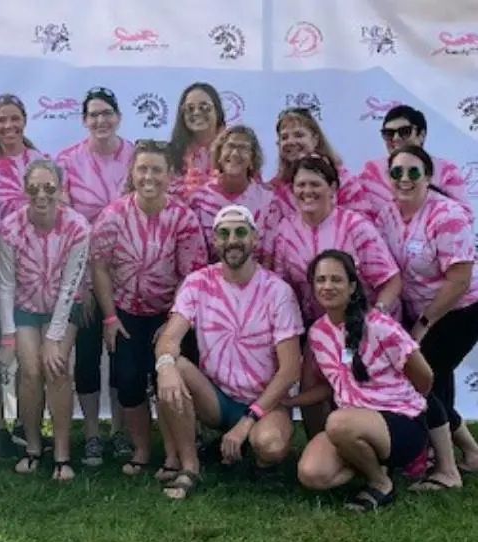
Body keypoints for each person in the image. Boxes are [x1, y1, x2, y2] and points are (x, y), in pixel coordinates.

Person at [155, 205, 303, 499]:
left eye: (240, 232)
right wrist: (165, 364)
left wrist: (248, 420)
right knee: (175, 368)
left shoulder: (277, 291)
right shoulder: (198, 283)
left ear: (255, 239)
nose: (232, 239)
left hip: (266, 402)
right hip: (218, 398)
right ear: (215, 241)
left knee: (271, 446)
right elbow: (170, 336)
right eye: (224, 233)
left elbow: (289, 370)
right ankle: (190, 467)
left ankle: (257, 458)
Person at [91, 139, 205, 475]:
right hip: (124, 312)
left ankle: (172, 454)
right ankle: (141, 450)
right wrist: (110, 317)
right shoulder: (113, 215)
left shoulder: (183, 218)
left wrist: (172, 322)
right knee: (127, 379)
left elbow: (191, 274)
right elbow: (99, 266)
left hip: (168, 312)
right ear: (132, 172)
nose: (149, 176)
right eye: (142, 168)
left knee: (165, 380)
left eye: (157, 169)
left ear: (170, 174)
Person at [268, 155, 401, 439]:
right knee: (309, 386)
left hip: (357, 323)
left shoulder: (356, 226)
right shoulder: (285, 231)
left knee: (355, 385)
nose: (307, 191)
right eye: (300, 185)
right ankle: (321, 445)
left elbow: (391, 279)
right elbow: (281, 285)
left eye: (315, 184)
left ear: (333, 187)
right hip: (315, 329)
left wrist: (375, 317)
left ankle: (379, 446)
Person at [295, 250, 433, 512]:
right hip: (352, 423)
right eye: (321, 279)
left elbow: (424, 375)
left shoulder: (380, 326)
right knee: (311, 474)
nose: (327, 286)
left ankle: (380, 483)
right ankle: (370, 460)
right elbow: (329, 386)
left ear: (352, 286)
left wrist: (411, 405)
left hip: (399, 421)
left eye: (336, 280)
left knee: (337, 422)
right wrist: (286, 400)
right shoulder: (317, 333)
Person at [373, 144, 478, 488]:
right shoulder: (387, 214)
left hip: (460, 311)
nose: (404, 179)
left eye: (413, 171)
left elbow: (459, 280)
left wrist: (422, 325)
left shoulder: (447, 214)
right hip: (420, 313)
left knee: (419, 382)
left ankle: (447, 471)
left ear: (428, 176)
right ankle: (470, 452)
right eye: (396, 172)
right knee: (432, 386)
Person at [55, 86, 135, 465]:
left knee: (122, 358)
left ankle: (119, 432)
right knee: (86, 356)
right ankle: (89, 433)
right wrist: (82, 283)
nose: (101, 120)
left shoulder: (136, 156)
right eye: (93, 115)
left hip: (131, 275)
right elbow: (67, 224)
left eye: (107, 113)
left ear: (118, 116)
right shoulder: (68, 161)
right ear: (84, 120)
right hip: (85, 276)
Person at [0, 160, 90, 480]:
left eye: (49, 188)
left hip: (62, 307)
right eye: (34, 188)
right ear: (24, 190)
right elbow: (6, 284)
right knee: (30, 371)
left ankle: (62, 453)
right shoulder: (10, 227)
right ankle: (33, 447)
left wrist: (54, 337)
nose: (41, 195)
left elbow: (70, 287)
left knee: (56, 366)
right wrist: (8, 337)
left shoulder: (78, 227)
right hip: (25, 306)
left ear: (61, 190)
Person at [0, 93, 48, 451]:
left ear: (25, 120)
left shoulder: (40, 161)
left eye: (14, 118)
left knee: (30, 356)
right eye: (1, 120)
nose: (9, 126)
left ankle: (27, 423)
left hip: (36, 272)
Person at [359, 105, 467, 222]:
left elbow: (464, 218)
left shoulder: (447, 171)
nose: (396, 138)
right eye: (389, 133)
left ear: (421, 135)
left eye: (405, 131)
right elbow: (361, 218)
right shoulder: (371, 172)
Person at [185, 124, 276, 262]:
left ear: (252, 159)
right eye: (230, 146)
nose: (235, 153)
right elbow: (196, 256)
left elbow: (268, 258)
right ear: (219, 156)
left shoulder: (268, 201)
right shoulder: (198, 200)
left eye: (243, 148)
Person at [268, 108, 373, 227]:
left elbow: (363, 223)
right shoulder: (276, 188)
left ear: (315, 139)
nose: (291, 141)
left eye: (299, 135)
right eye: (284, 137)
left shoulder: (343, 180)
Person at [167, 82, 226, 199]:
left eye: (204, 107)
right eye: (189, 108)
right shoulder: (170, 154)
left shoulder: (233, 149)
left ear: (217, 111)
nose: (197, 113)